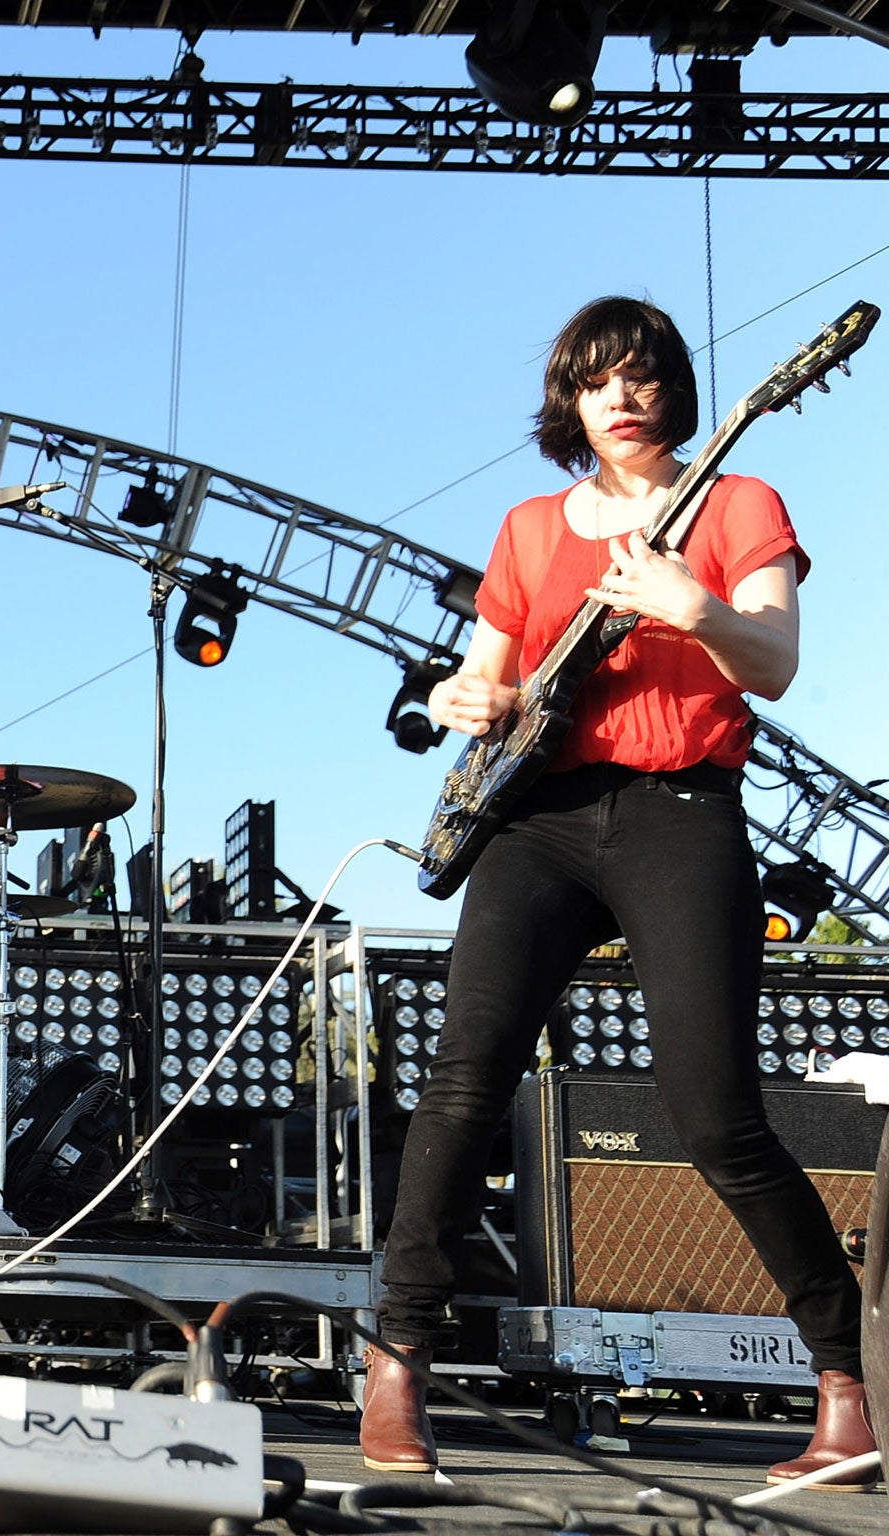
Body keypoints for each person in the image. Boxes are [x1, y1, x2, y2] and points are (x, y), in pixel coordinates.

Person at [362, 297, 873, 1487]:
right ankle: (397, 1365)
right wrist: (462, 698)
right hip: (535, 821)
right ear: (571, 401)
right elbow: (486, 680)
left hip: (676, 811)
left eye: (641, 375)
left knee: (714, 1117)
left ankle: (850, 1382)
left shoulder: (736, 505)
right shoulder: (530, 527)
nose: (622, 395)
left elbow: (776, 664)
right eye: (598, 379)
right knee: (462, 1080)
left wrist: (688, 607)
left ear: (670, 392)